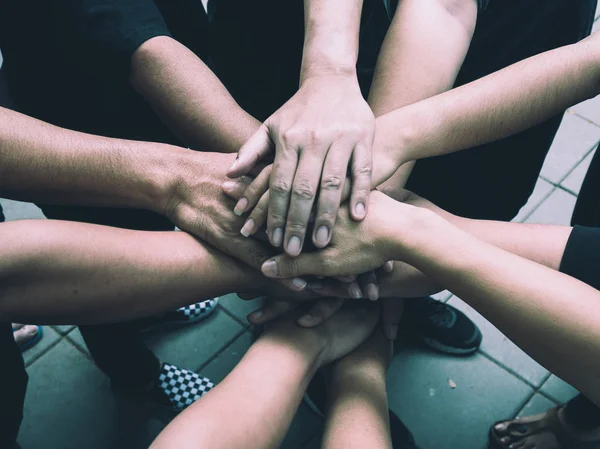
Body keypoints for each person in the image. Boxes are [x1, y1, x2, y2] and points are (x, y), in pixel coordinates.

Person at [228, 0, 596, 353]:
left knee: (462, 199)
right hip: (378, 33)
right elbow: (443, 6)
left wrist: (395, 218)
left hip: (526, 47)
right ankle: (322, 306)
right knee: (319, 194)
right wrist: (331, 76)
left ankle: (380, 294)